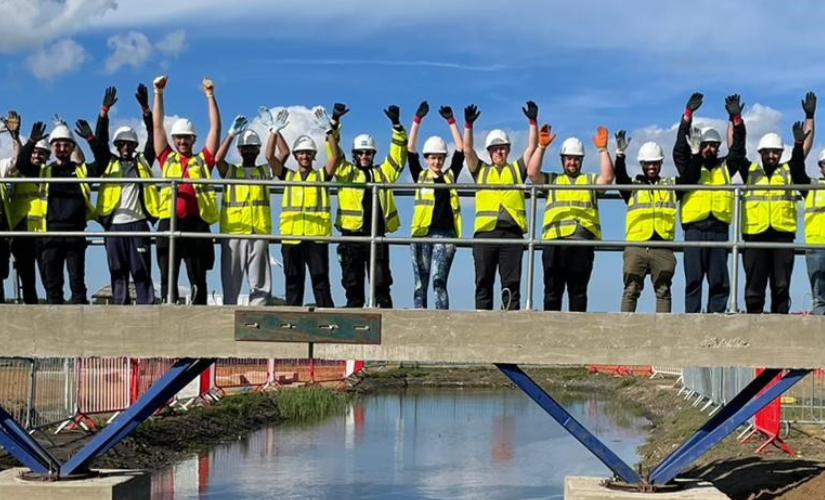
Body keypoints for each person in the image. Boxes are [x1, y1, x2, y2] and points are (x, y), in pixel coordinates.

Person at [727, 109, 811, 313]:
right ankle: (753, 321)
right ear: (761, 153)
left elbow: (801, 156)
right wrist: (734, 121)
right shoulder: (750, 170)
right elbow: (734, 150)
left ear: (781, 153)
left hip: (782, 237)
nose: (771, 155)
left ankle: (780, 322)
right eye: (767, 152)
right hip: (754, 237)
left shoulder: (790, 170)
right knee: (754, 287)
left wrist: (809, 119)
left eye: (776, 152)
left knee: (781, 286)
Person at [83, 85, 160, 305]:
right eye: (122, 144)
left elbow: (154, 136)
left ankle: (147, 314)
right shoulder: (108, 162)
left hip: (138, 224)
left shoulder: (144, 162)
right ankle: (119, 315)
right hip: (114, 226)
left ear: (135, 145)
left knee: (141, 272)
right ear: (117, 146)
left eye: (129, 144)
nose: (125, 147)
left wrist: (146, 109)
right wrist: (103, 112)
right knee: (118, 274)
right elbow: (99, 144)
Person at [527, 124, 614, 312]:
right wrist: (541, 147)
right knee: (552, 291)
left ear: (581, 160)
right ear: (562, 160)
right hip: (554, 243)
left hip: (582, 243)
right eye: (568, 159)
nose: (572, 163)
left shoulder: (589, 180)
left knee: (578, 292)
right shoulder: (552, 179)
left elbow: (607, 179)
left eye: (576, 159)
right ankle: (550, 333)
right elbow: (532, 174)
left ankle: (578, 336)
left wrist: (603, 150)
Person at [615, 130, 702, 312]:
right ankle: (623, 331)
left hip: (662, 245)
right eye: (648, 164)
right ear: (642, 165)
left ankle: (663, 332)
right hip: (636, 245)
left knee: (663, 290)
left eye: (655, 163)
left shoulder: (671, 185)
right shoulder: (632, 186)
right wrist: (620, 155)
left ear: (660, 164)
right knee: (631, 289)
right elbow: (620, 178)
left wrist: (695, 153)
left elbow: (691, 178)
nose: (652, 167)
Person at [330, 104, 407, 308]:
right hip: (352, 236)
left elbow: (399, 159)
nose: (364, 156)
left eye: (368, 153)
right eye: (361, 152)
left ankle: (386, 320)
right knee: (352, 283)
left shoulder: (383, 173)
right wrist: (334, 123)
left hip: (377, 234)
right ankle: (354, 319)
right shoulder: (346, 172)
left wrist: (396, 125)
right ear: (354, 154)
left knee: (381, 283)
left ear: (373, 155)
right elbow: (333, 151)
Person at [16, 118, 101, 304]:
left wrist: (90, 138)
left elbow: (102, 162)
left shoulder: (81, 171)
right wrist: (31, 142)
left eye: (66, 145)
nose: (62, 148)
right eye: (58, 145)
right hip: (51, 234)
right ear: (52, 149)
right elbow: (22, 164)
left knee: (77, 283)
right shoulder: (44, 172)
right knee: (53, 284)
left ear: (72, 148)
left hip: (75, 234)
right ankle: (54, 329)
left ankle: (79, 326)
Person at [152, 75, 221, 305]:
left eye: (187, 138)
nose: (182, 141)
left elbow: (215, 129)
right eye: (179, 137)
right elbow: (157, 125)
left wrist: (210, 96)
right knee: (166, 276)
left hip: (196, 222)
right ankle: (166, 310)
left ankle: (198, 311)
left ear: (193, 140)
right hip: (169, 221)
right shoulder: (166, 157)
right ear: (174, 139)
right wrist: (158, 94)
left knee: (198, 276)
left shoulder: (203, 160)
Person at [463, 101, 538, 310]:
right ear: (488, 152)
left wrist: (533, 121)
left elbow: (532, 148)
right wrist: (468, 126)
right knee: (483, 282)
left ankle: (511, 327)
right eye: (495, 149)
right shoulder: (481, 170)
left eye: (502, 149)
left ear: (508, 150)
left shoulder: (516, 170)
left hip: (512, 235)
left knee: (511, 285)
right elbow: (467, 150)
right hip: (485, 234)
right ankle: (482, 323)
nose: (499, 152)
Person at [268, 105, 341, 308]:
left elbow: (335, 157)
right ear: (296, 156)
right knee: (293, 283)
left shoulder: (321, 176)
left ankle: (327, 319)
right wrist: (274, 131)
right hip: (291, 237)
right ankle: (292, 319)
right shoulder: (288, 176)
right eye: (301, 153)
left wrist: (329, 130)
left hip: (316, 237)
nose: (305, 157)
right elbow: (269, 157)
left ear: (313, 156)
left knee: (321, 282)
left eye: (308, 153)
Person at [213, 109, 288, 306]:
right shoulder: (231, 171)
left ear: (258, 150)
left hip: (259, 232)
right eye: (245, 148)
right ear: (239, 151)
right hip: (233, 233)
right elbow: (217, 160)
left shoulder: (264, 171)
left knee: (260, 285)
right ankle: (229, 317)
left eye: (253, 148)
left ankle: (259, 318)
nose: (249, 151)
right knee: (230, 283)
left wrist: (274, 130)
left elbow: (284, 153)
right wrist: (231, 134)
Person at [673, 93, 737, 313]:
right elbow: (679, 149)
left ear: (718, 147)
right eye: (705, 145)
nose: (709, 149)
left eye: (713, 145)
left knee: (719, 280)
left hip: (719, 229)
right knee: (693, 279)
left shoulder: (725, 167)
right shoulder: (689, 166)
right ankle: (692, 318)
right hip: (695, 229)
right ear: (699, 145)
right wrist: (687, 117)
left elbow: (738, 150)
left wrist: (736, 120)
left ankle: (716, 317)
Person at [407, 101, 464, 309]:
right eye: (433, 157)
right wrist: (417, 120)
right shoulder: (420, 176)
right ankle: (420, 323)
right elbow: (410, 149)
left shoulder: (450, 176)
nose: (437, 162)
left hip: (445, 234)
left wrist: (451, 121)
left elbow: (460, 149)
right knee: (419, 284)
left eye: (440, 158)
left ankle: (441, 323)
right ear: (427, 158)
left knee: (439, 283)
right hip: (421, 235)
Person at [801, 150, 825, 315]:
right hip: (816, 246)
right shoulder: (811, 186)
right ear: (821, 167)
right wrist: (798, 146)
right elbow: (796, 169)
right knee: (819, 297)